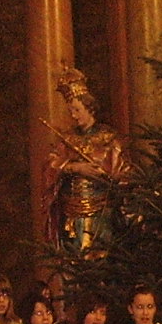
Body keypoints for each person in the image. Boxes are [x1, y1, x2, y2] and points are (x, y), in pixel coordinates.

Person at [48, 67, 128, 254]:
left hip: (99, 210)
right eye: (71, 111)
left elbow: (124, 173)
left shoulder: (109, 139)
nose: (74, 115)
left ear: (89, 108)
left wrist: (109, 177)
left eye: (77, 110)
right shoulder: (67, 139)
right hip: (71, 211)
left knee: (98, 255)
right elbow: (51, 164)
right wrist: (75, 167)